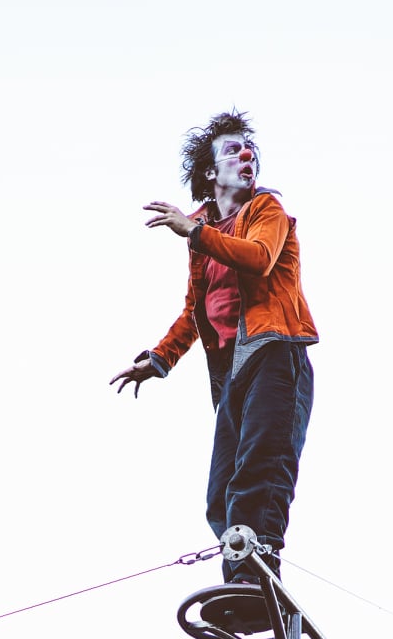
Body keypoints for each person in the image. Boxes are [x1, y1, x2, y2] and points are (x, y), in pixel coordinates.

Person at [111, 111, 318, 586]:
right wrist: (160, 358)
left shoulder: (266, 211)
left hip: (275, 354)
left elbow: (259, 259)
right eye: (233, 150)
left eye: (251, 151)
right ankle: (241, 585)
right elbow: (196, 309)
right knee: (221, 491)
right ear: (210, 171)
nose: (247, 157)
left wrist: (194, 232)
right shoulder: (202, 229)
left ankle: (257, 575)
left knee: (259, 471)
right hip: (232, 370)